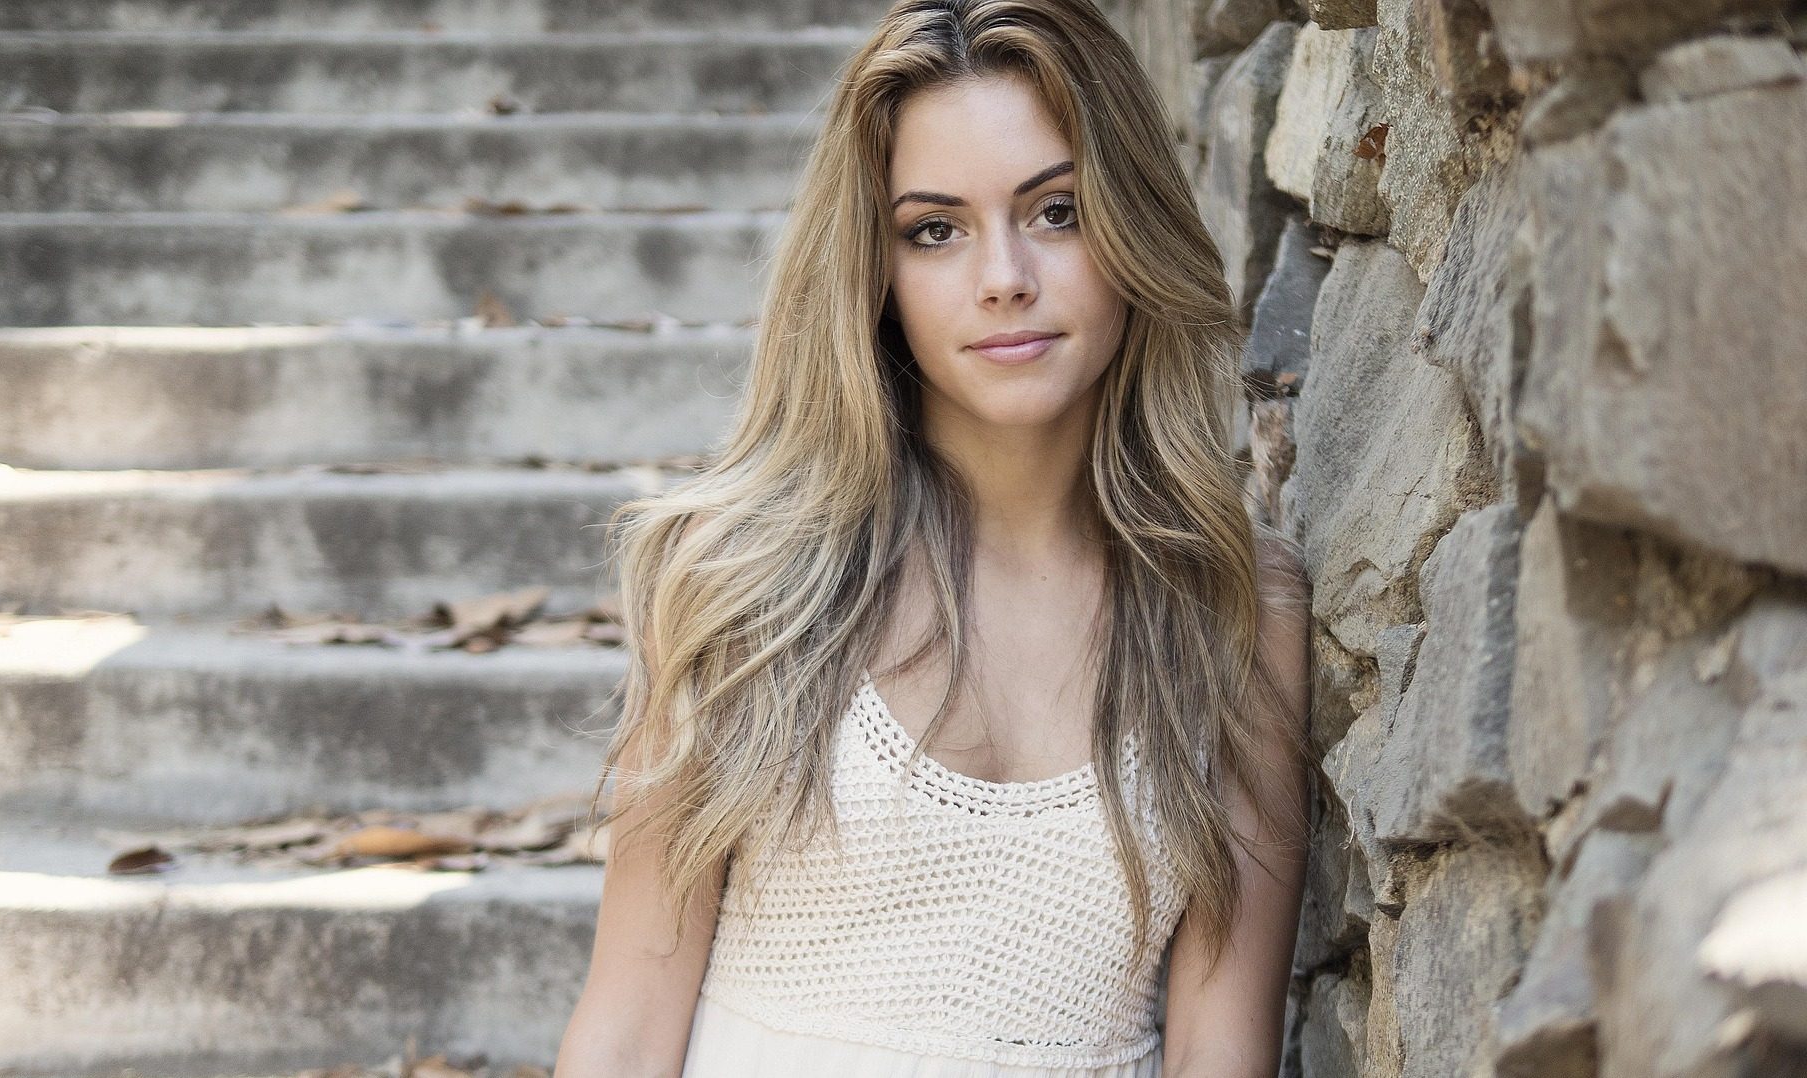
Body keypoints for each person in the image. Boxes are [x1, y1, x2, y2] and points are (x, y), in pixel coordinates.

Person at [554, 1, 1315, 1074]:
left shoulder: (1238, 611)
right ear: (878, 273)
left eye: (1056, 211)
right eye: (936, 229)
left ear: (1132, 224)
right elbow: (628, 1026)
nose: (1003, 275)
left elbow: (1217, 1056)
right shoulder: (745, 581)